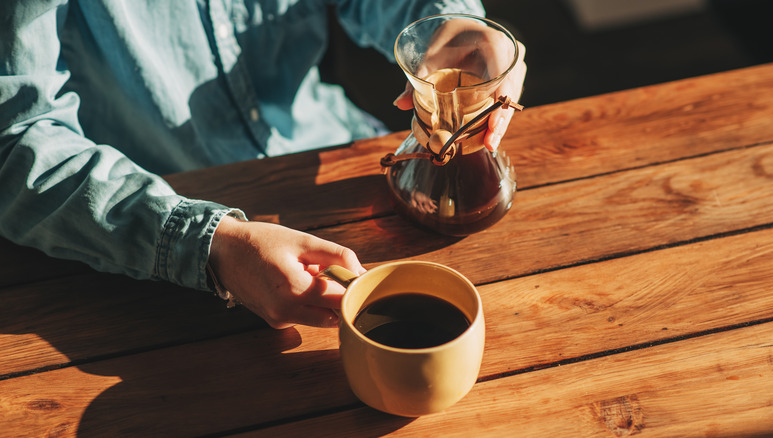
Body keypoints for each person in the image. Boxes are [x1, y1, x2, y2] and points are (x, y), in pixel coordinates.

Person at [0, 1, 526, 329]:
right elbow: (17, 138)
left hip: (337, 160)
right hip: (153, 238)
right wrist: (209, 246)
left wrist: (458, 29)